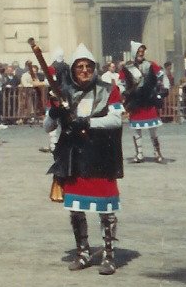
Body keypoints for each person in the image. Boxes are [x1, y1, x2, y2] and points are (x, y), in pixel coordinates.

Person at [44, 44, 124, 274]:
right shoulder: (62, 92)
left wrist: (88, 122)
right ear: (72, 70)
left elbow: (116, 120)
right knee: (76, 209)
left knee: (106, 209)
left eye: (88, 66)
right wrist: (53, 113)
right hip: (74, 157)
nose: (84, 70)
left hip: (101, 155)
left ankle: (109, 255)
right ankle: (83, 252)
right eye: (79, 67)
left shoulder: (108, 90)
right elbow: (48, 126)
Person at [117, 42, 169, 163]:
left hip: (149, 100)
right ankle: (139, 154)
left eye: (142, 52)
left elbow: (162, 76)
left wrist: (165, 88)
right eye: (139, 52)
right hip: (135, 101)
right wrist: (124, 92)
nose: (141, 54)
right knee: (136, 130)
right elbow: (121, 82)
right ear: (134, 53)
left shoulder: (150, 65)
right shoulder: (127, 68)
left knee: (153, 130)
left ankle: (157, 153)